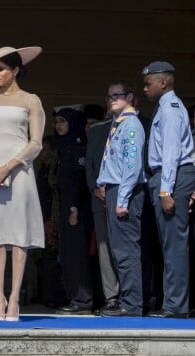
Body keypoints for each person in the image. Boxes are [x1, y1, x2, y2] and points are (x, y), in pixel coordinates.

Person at [0, 46, 45, 322]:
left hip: (18, 172)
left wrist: (8, 167)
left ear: (15, 71)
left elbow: (36, 142)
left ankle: (15, 298)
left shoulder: (31, 100)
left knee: (18, 235)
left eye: (1, 69)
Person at [142, 60, 195, 319]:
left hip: (172, 178)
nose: (145, 88)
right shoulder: (164, 108)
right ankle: (172, 303)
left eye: (148, 83)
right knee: (169, 245)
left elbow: (172, 151)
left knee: (174, 245)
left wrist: (165, 191)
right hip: (166, 177)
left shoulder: (171, 109)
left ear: (163, 82)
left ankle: (176, 306)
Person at [96, 81, 146, 317]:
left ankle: (132, 303)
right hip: (115, 188)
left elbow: (132, 166)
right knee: (119, 249)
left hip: (126, 190)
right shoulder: (118, 125)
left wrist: (123, 200)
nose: (112, 99)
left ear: (130, 97)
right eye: (109, 96)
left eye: (118, 95)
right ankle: (128, 299)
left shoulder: (132, 125)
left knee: (126, 250)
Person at [54, 107, 94, 315]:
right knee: (68, 253)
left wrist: (74, 208)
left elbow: (79, 181)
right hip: (65, 206)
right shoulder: (64, 146)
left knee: (77, 254)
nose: (58, 125)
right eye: (57, 121)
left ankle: (82, 298)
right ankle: (74, 296)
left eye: (63, 121)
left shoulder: (78, 146)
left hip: (75, 207)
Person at [85, 103, 120, 314]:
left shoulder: (142, 123)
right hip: (100, 197)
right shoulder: (97, 129)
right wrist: (94, 187)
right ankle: (112, 296)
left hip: (128, 196)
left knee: (128, 248)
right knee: (105, 248)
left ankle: (135, 295)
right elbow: (89, 164)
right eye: (111, 97)